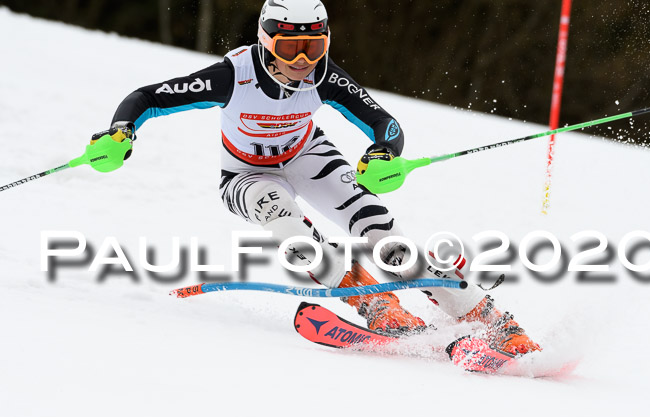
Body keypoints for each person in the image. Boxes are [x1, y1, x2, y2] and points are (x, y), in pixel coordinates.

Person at [94, 0, 540, 355]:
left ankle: (491, 321)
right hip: (247, 174)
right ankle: (375, 303)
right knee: (293, 233)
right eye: (289, 48)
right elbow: (148, 97)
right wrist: (120, 131)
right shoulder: (233, 75)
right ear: (266, 42)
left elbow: (383, 124)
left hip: (309, 155)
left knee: (386, 237)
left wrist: (384, 154)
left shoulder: (323, 76)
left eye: (315, 48)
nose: (303, 60)